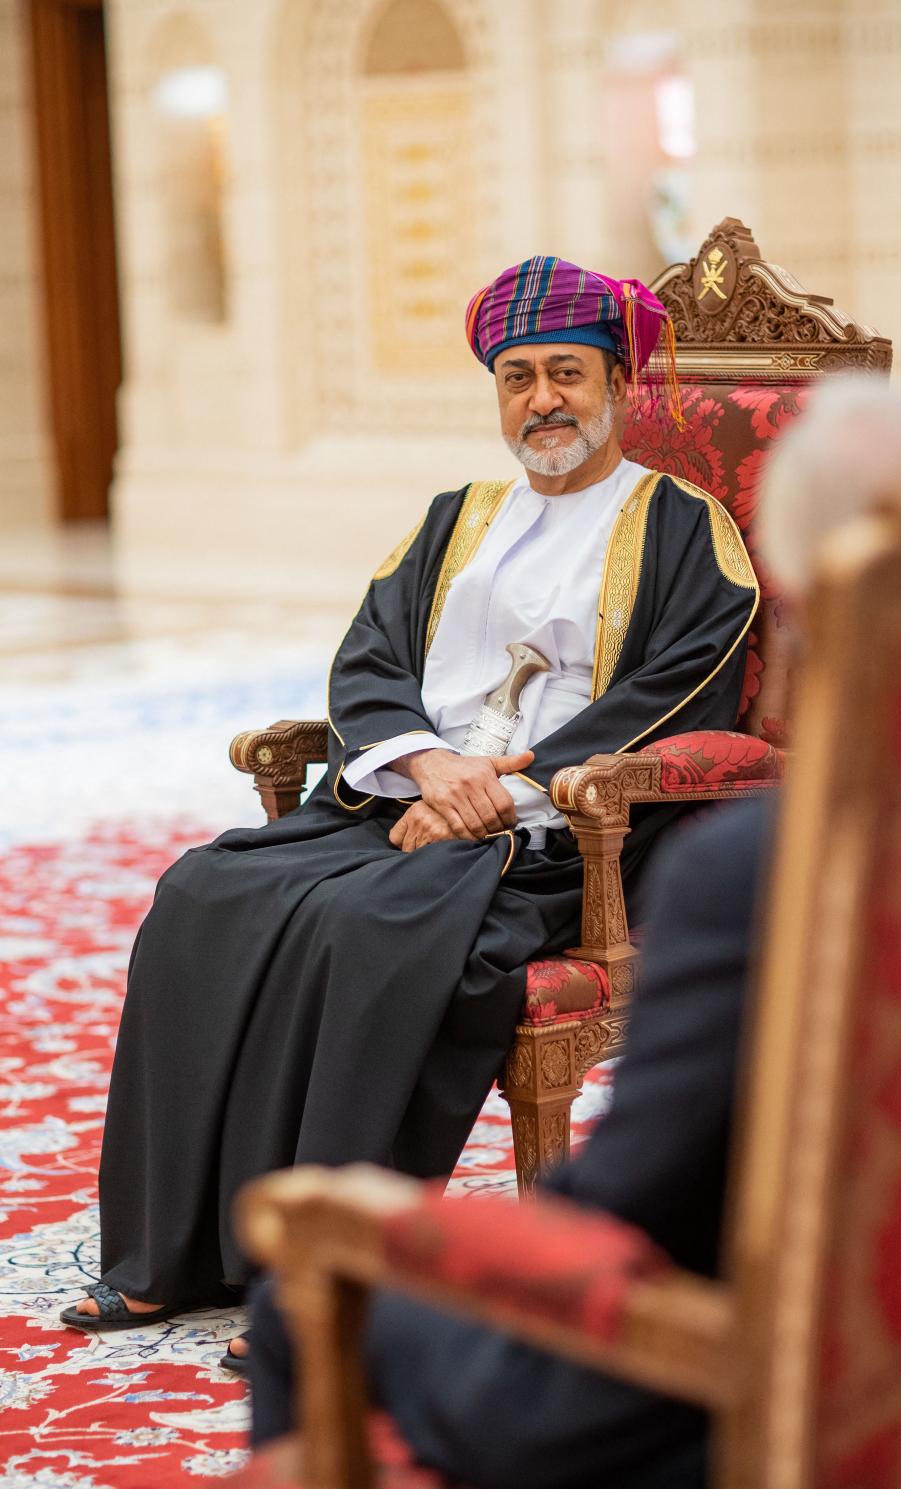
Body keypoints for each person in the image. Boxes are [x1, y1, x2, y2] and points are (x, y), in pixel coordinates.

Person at [245, 377, 901, 1489]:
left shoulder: (764, 875)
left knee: (295, 1304)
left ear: (798, 605)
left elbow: (629, 1210)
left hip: (758, 1403)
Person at [61, 256, 759, 1338]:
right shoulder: (455, 518)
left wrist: (496, 788)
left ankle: (324, 1282)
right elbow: (369, 659)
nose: (543, 400)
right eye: (517, 376)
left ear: (620, 387)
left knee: (373, 929)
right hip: (404, 800)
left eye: (568, 373)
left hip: (557, 837)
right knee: (203, 895)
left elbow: (681, 685)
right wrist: (428, 770)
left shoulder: (678, 525)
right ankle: (175, 1251)